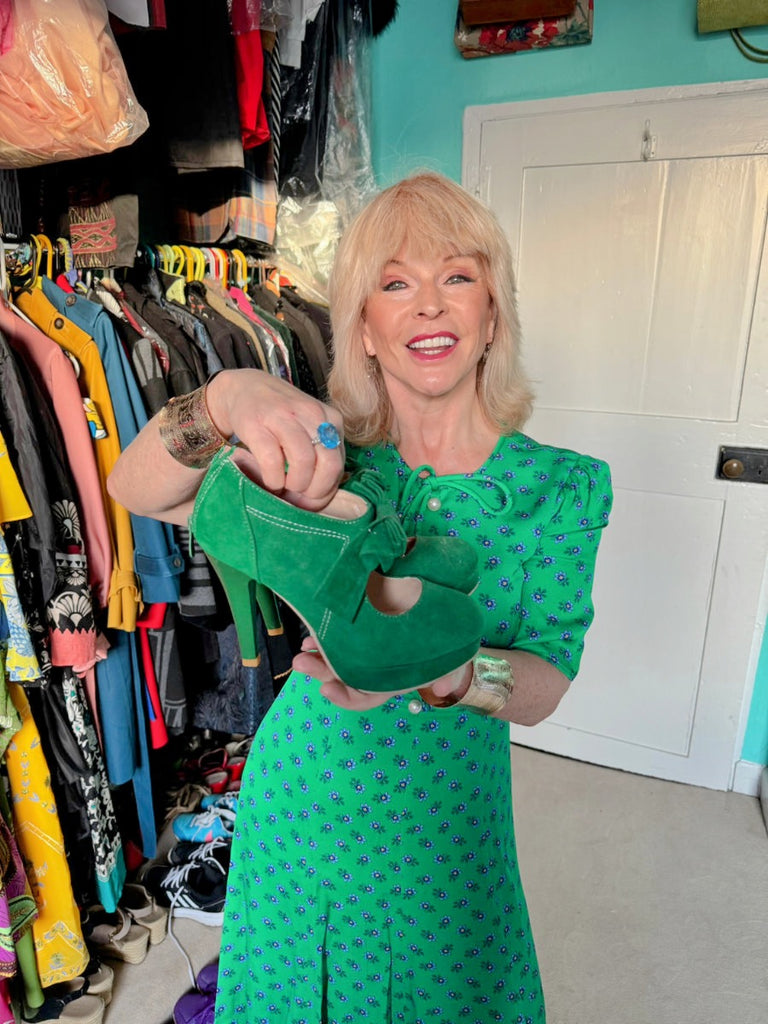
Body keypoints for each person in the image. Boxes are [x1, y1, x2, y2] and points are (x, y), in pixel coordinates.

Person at [109, 171, 612, 1023]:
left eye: (457, 276)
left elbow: (547, 684)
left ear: (493, 315)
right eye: (395, 283)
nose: (430, 304)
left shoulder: (564, 487)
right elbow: (134, 488)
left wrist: (451, 676)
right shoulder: (317, 464)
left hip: (451, 820)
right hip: (306, 799)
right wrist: (227, 396)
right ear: (366, 331)